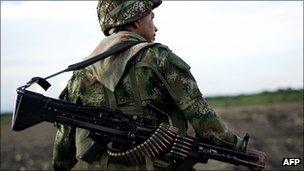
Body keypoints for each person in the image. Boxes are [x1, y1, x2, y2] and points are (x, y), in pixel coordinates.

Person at [53, 0, 265, 170]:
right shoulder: (158, 59)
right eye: (151, 17)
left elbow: (64, 139)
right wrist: (240, 150)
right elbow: (203, 119)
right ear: (135, 21)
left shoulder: (82, 73)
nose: (155, 25)